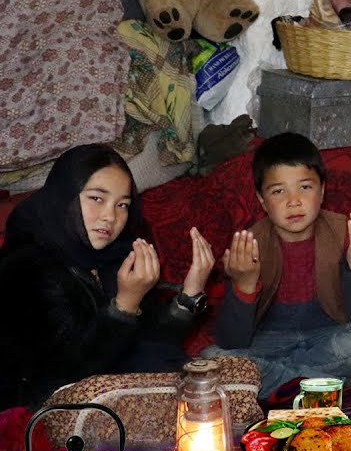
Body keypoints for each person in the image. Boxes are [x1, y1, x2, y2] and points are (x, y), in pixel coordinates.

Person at [0, 144, 214, 409]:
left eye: (122, 205)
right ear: (65, 195)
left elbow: (151, 339)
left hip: (111, 391)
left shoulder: (115, 256)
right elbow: (69, 370)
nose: (110, 217)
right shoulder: (25, 266)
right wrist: (124, 307)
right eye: (96, 199)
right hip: (44, 408)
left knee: (203, 377)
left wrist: (189, 297)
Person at [204, 133, 351, 397]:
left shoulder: (345, 231)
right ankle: (343, 382)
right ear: (262, 201)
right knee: (212, 360)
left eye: (305, 187)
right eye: (278, 191)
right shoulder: (250, 243)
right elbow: (231, 340)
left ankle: (285, 382)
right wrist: (244, 285)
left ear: (322, 191)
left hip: (330, 335)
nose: (293, 201)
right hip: (270, 340)